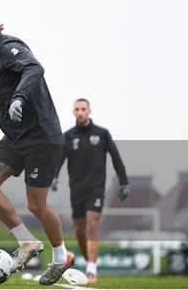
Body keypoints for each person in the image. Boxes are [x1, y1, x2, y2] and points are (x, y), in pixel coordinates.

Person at [0, 9, 73, 285]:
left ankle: (61, 257)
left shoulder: (9, 47)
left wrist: (19, 97)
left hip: (41, 137)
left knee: (36, 205)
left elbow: (34, 68)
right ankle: (28, 242)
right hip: (15, 138)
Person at [52, 98, 130, 285]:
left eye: (83, 109)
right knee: (79, 230)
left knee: (92, 224)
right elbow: (59, 160)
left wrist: (124, 182)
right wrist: (54, 177)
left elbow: (116, 158)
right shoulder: (68, 136)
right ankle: (90, 262)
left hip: (96, 187)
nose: (80, 112)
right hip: (76, 189)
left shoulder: (102, 134)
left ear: (89, 111)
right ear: (73, 112)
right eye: (77, 109)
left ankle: (92, 269)